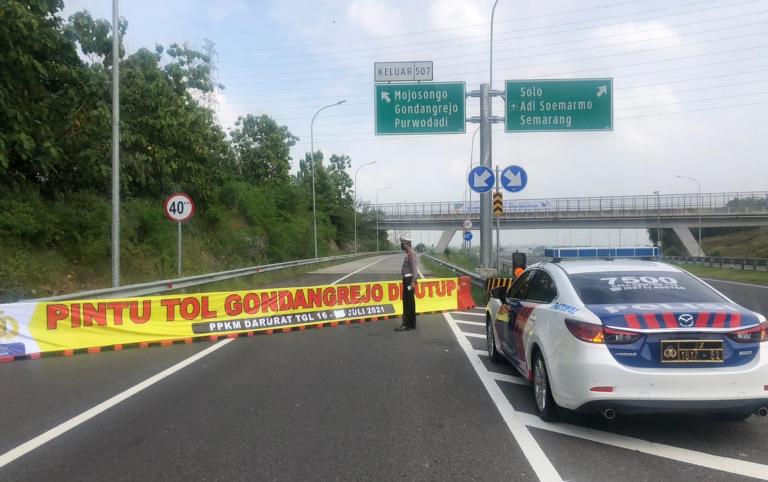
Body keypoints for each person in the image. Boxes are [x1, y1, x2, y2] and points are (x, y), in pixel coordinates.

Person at [395, 236, 420, 331]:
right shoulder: (408, 254)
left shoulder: (411, 254)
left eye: (403, 243)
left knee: (407, 302)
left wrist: (413, 281)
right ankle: (411, 324)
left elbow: (414, 269)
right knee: (410, 302)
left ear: (407, 244)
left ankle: (407, 325)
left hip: (409, 280)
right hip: (407, 280)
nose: (402, 245)